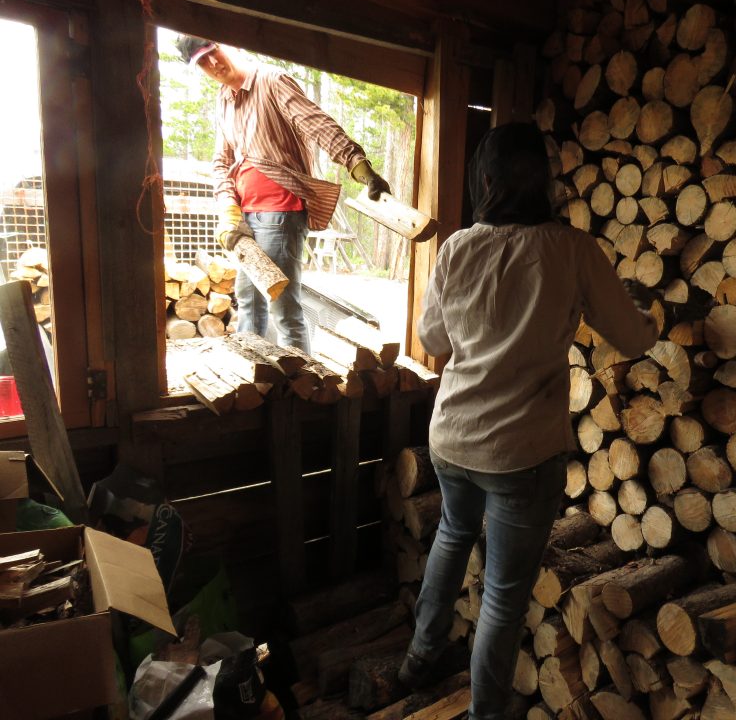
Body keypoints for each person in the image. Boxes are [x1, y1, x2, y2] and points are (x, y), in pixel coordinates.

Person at [400, 122, 660, 719]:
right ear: (544, 180)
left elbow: (432, 337)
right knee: (502, 598)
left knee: (450, 535)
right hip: (521, 452)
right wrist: (655, 323)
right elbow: (629, 336)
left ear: (484, 180)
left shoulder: (458, 247)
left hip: (452, 437)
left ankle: (419, 658)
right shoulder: (570, 249)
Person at [176, 35, 391, 353]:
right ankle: (253, 370)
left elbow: (316, 124)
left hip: (281, 211)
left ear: (230, 44)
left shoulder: (271, 80)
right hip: (244, 217)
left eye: (213, 52)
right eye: (202, 63)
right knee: (248, 300)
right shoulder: (224, 99)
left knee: (284, 309)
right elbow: (221, 162)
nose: (213, 64)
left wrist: (358, 164)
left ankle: (300, 380)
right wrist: (227, 208)